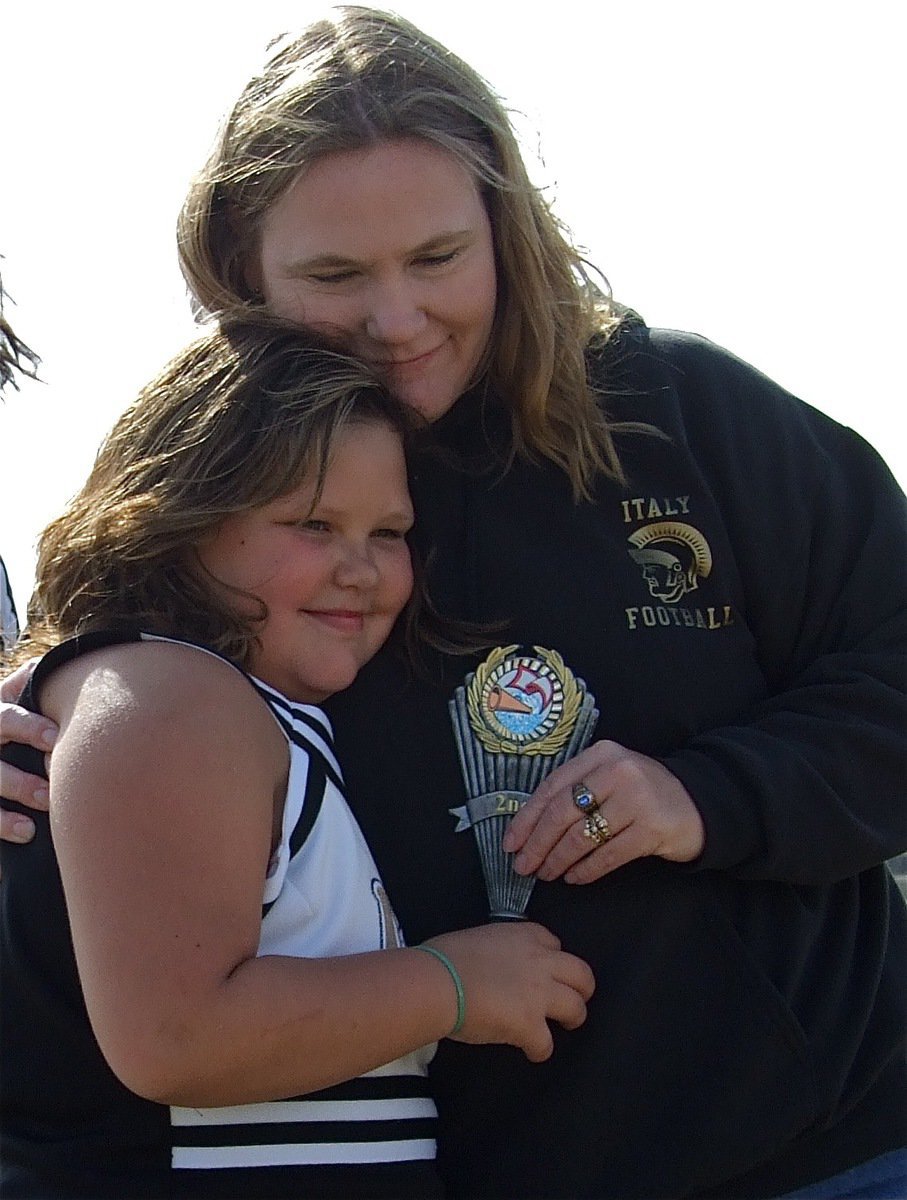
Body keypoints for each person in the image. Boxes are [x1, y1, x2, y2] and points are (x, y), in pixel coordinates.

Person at [1, 6, 905, 1197]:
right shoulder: (202, 499)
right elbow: (100, 719)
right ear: (238, 272)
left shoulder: (680, 412)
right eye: (334, 276)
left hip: (826, 1150)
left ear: (504, 233)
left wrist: (712, 793)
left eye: (436, 259)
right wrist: (35, 750)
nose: (396, 321)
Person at [0, 315, 595, 1200]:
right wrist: (454, 985)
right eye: (313, 523)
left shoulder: (250, 707)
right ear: (180, 519)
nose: (360, 568)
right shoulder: (172, 696)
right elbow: (175, 1038)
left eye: (388, 533)